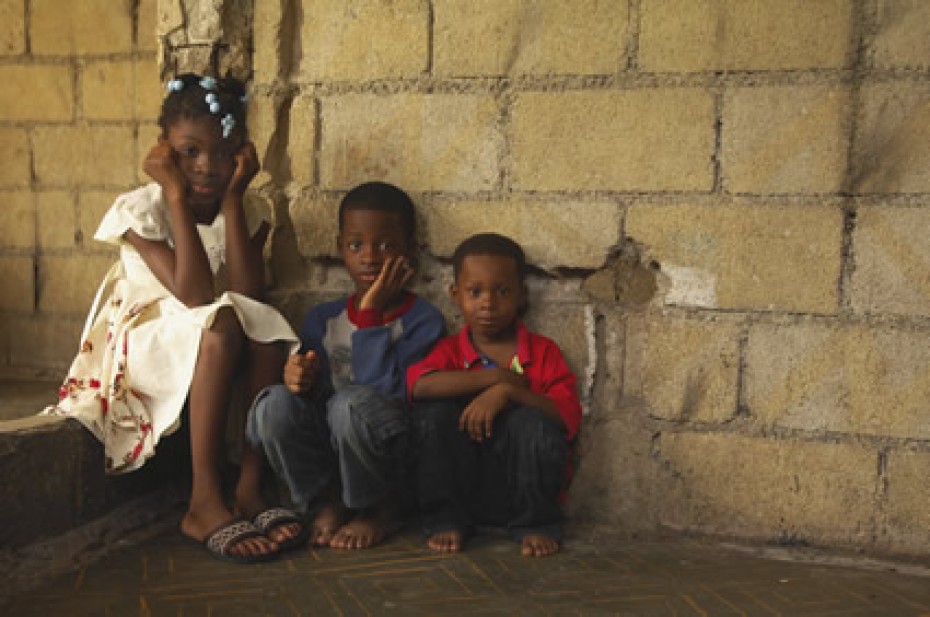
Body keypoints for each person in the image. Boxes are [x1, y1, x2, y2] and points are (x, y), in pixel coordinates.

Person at [45, 73, 303, 563]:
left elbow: (251, 295)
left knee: (266, 328)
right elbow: (193, 293)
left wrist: (232, 201)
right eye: (189, 152)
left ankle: (250, 486)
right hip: (146, 329)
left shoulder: (247, 205)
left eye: (224, 151)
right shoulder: (140, 208)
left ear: (242, 154)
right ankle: (203, 501)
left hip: (208, 326)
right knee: (223, 323)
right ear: (163, 151)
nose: (207, 166)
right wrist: (176, 196)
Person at [246, 181, 445, 550]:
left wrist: (370, 315)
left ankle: (379, 509)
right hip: (334, 445)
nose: (370, 257)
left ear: (410, 252)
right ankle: (326, 500)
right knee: (273, 404)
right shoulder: (325, 318)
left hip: (391, 451)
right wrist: (297, 379)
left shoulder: (423, 321)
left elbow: (390, 393)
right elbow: (314, 394)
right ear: (340, 248)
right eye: (356, 245)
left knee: (350, 404)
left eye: (386, 245)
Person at [407, 232, 582, 558]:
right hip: (462, 488)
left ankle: (536, 525)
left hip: (522, 490)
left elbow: (566, 415)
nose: (488, 302)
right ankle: (446, 519)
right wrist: (494, 378)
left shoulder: (542, 352)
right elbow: (420, 386)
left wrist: (508, 392)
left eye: (502, 291)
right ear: (455, 295)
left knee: (533, 422)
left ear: (521, 296)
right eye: (475, 292)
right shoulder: (448, 351)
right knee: (433, 415)